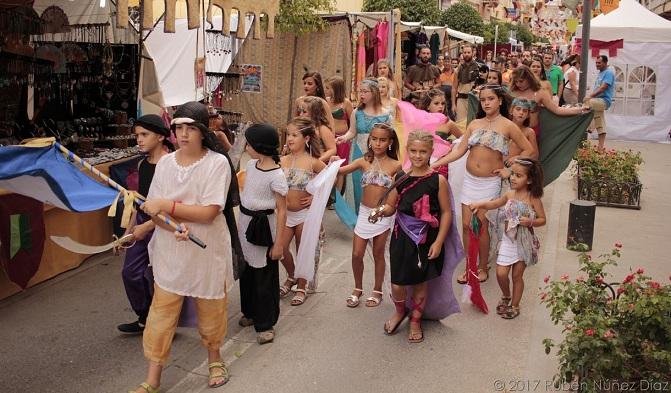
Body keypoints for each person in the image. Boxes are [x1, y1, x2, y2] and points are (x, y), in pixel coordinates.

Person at [130, 101, 241, 393]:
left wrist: (169, 207)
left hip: (206, 249)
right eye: (179, 127)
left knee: (211, 307)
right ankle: (153, 378)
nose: (184, 133)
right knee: (162, 313)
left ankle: (215, 360)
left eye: (191, 128)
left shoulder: (217, 164)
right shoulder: (166, 162)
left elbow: (208, 212)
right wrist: (170, 225)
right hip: (171, 248)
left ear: (203, 131)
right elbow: (155, 211)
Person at [432, 85, 534, 284]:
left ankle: (482, 266)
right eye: (483, 99)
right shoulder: (474, 124)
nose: (486, 103)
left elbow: (528, 150)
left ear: (500, 101)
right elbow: (459, 151)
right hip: (470, 181)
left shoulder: (508, 125)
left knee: (480, 226)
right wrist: (436, 163)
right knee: (465, 224)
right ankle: (470, 266)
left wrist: (509, 169)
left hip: (490, 183)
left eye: (490, 99)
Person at [368, 131, 455, 343]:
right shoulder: (401, 178)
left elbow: (446, 212)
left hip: (426, 239)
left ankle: (415, 319)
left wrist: (439, 241)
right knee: (398, 281)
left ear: (431, 152)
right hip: (401, 236)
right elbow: (391, 206)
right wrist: (381, 211)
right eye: (414, 151)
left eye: (423, 151)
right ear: (407, 151)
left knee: (419, 281)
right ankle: (400, 310)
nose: (417, 156)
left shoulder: (438, 180)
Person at [332, 123, 401, 308]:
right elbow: (340, 170)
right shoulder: (363, 161)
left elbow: (399, 192)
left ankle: (377, 289)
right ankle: (358, 288)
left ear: (390, 142)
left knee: (379, 253)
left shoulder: (396, 166)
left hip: (383, 214)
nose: (378, 143)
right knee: (357, 253)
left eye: (383, 140)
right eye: (374, 139)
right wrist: (333, 161)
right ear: (369, 140)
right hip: (363, 213)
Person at [117, 115, 174, 334]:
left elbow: (172, 205)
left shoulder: (171, 165)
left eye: (144, 135)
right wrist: (128, 232)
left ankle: (164, 321)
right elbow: (139, 201)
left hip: (164, 224)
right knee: (130, 272)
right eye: (137, 135)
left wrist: (148, 226)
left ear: (160, 136)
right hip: (142, 222)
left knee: (162, 276)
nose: (139, 140)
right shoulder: (142, 164)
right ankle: (145, 316)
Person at [469, 158, 546, 319]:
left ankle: (515, 305)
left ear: (530, 180)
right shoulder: (509, 194)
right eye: (512, 174)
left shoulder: (533, 198)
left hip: (523, 242)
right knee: (501, 273)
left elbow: (542, 219)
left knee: (517, 276)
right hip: (508, 241)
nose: (513, 178)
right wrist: (479, 204)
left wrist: (530, 221)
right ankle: (506, 295)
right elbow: (495, 204)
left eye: (518, 175)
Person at [237, 124, 288, 345]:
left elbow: (282, 210)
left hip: (264, 227)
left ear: (259, 146)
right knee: (247, 270)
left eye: (249, 143)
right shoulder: (250, 164)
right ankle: (249, 311)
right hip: (245, 223)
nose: (246, 147)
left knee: (264, 275)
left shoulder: (276, 175)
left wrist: (279, 244)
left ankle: (266, 322)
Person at [279, 118, 326, 306]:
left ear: (306, 138)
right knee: (280, 249)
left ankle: (302, 285)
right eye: (288, 134)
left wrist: (317, 197)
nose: (290, 138)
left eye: (294, 135)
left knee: (303, 251)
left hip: (304, 215)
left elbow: (329, 179)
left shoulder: (313, 162)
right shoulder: (282, 160)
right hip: (285, 214)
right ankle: (292, 275)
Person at [510, 65, 589, 138]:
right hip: (513, 131)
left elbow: (557, 110)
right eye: (516, 81)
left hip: (532, 133)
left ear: (529, 79)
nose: (518, 84)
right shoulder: (512, 92)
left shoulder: (540, 93)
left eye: (521, 81)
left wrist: (580, 110)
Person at [336, 79, 391, 160]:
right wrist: (344, 138)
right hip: (358, 151)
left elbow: (389, 136)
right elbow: (352, 131)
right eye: (360, 91)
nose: (361, 94)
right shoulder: (356, 112)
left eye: (365, 92)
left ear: (374, 93)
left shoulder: (386, 114)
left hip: (379, 152)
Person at [325, 75, 354, 193]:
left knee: (340, 168)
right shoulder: (326, 101)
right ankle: (327, 194)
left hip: (342, 139)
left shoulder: (346, 103)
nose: (326, 90)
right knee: (328, 166)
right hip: (329, 138)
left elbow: (353, 122)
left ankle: (338, 197)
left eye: (328, 88)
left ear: (336, 89)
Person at [584, 55, 615, 151]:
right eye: (596, 63)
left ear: (605, 63)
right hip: (598, 101)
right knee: (601, 124)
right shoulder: (600, 73)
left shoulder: (609, 72)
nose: (597, 64)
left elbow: (603, 87)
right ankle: (600, 148)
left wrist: (590, 96)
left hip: (604, 101)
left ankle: (589, 126)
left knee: (587, 101)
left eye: (599, 63)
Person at [298, 96, 337, 163]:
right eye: (300, 111)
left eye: (304, 112)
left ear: (314, 113)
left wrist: (318, 161)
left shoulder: (322, 129)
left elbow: (332, 149)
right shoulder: (301, 127)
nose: (301, 114)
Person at [451, 44, 479, 121]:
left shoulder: (478, 67)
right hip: (461, 100)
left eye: (468, 52)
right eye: (465, 52)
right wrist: (453, 104)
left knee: (474, 123)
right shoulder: (458, 70)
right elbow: (454, 88)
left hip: (474, 99)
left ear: (473, 53)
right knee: (460, 123)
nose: (466, 54)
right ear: (462, 53)